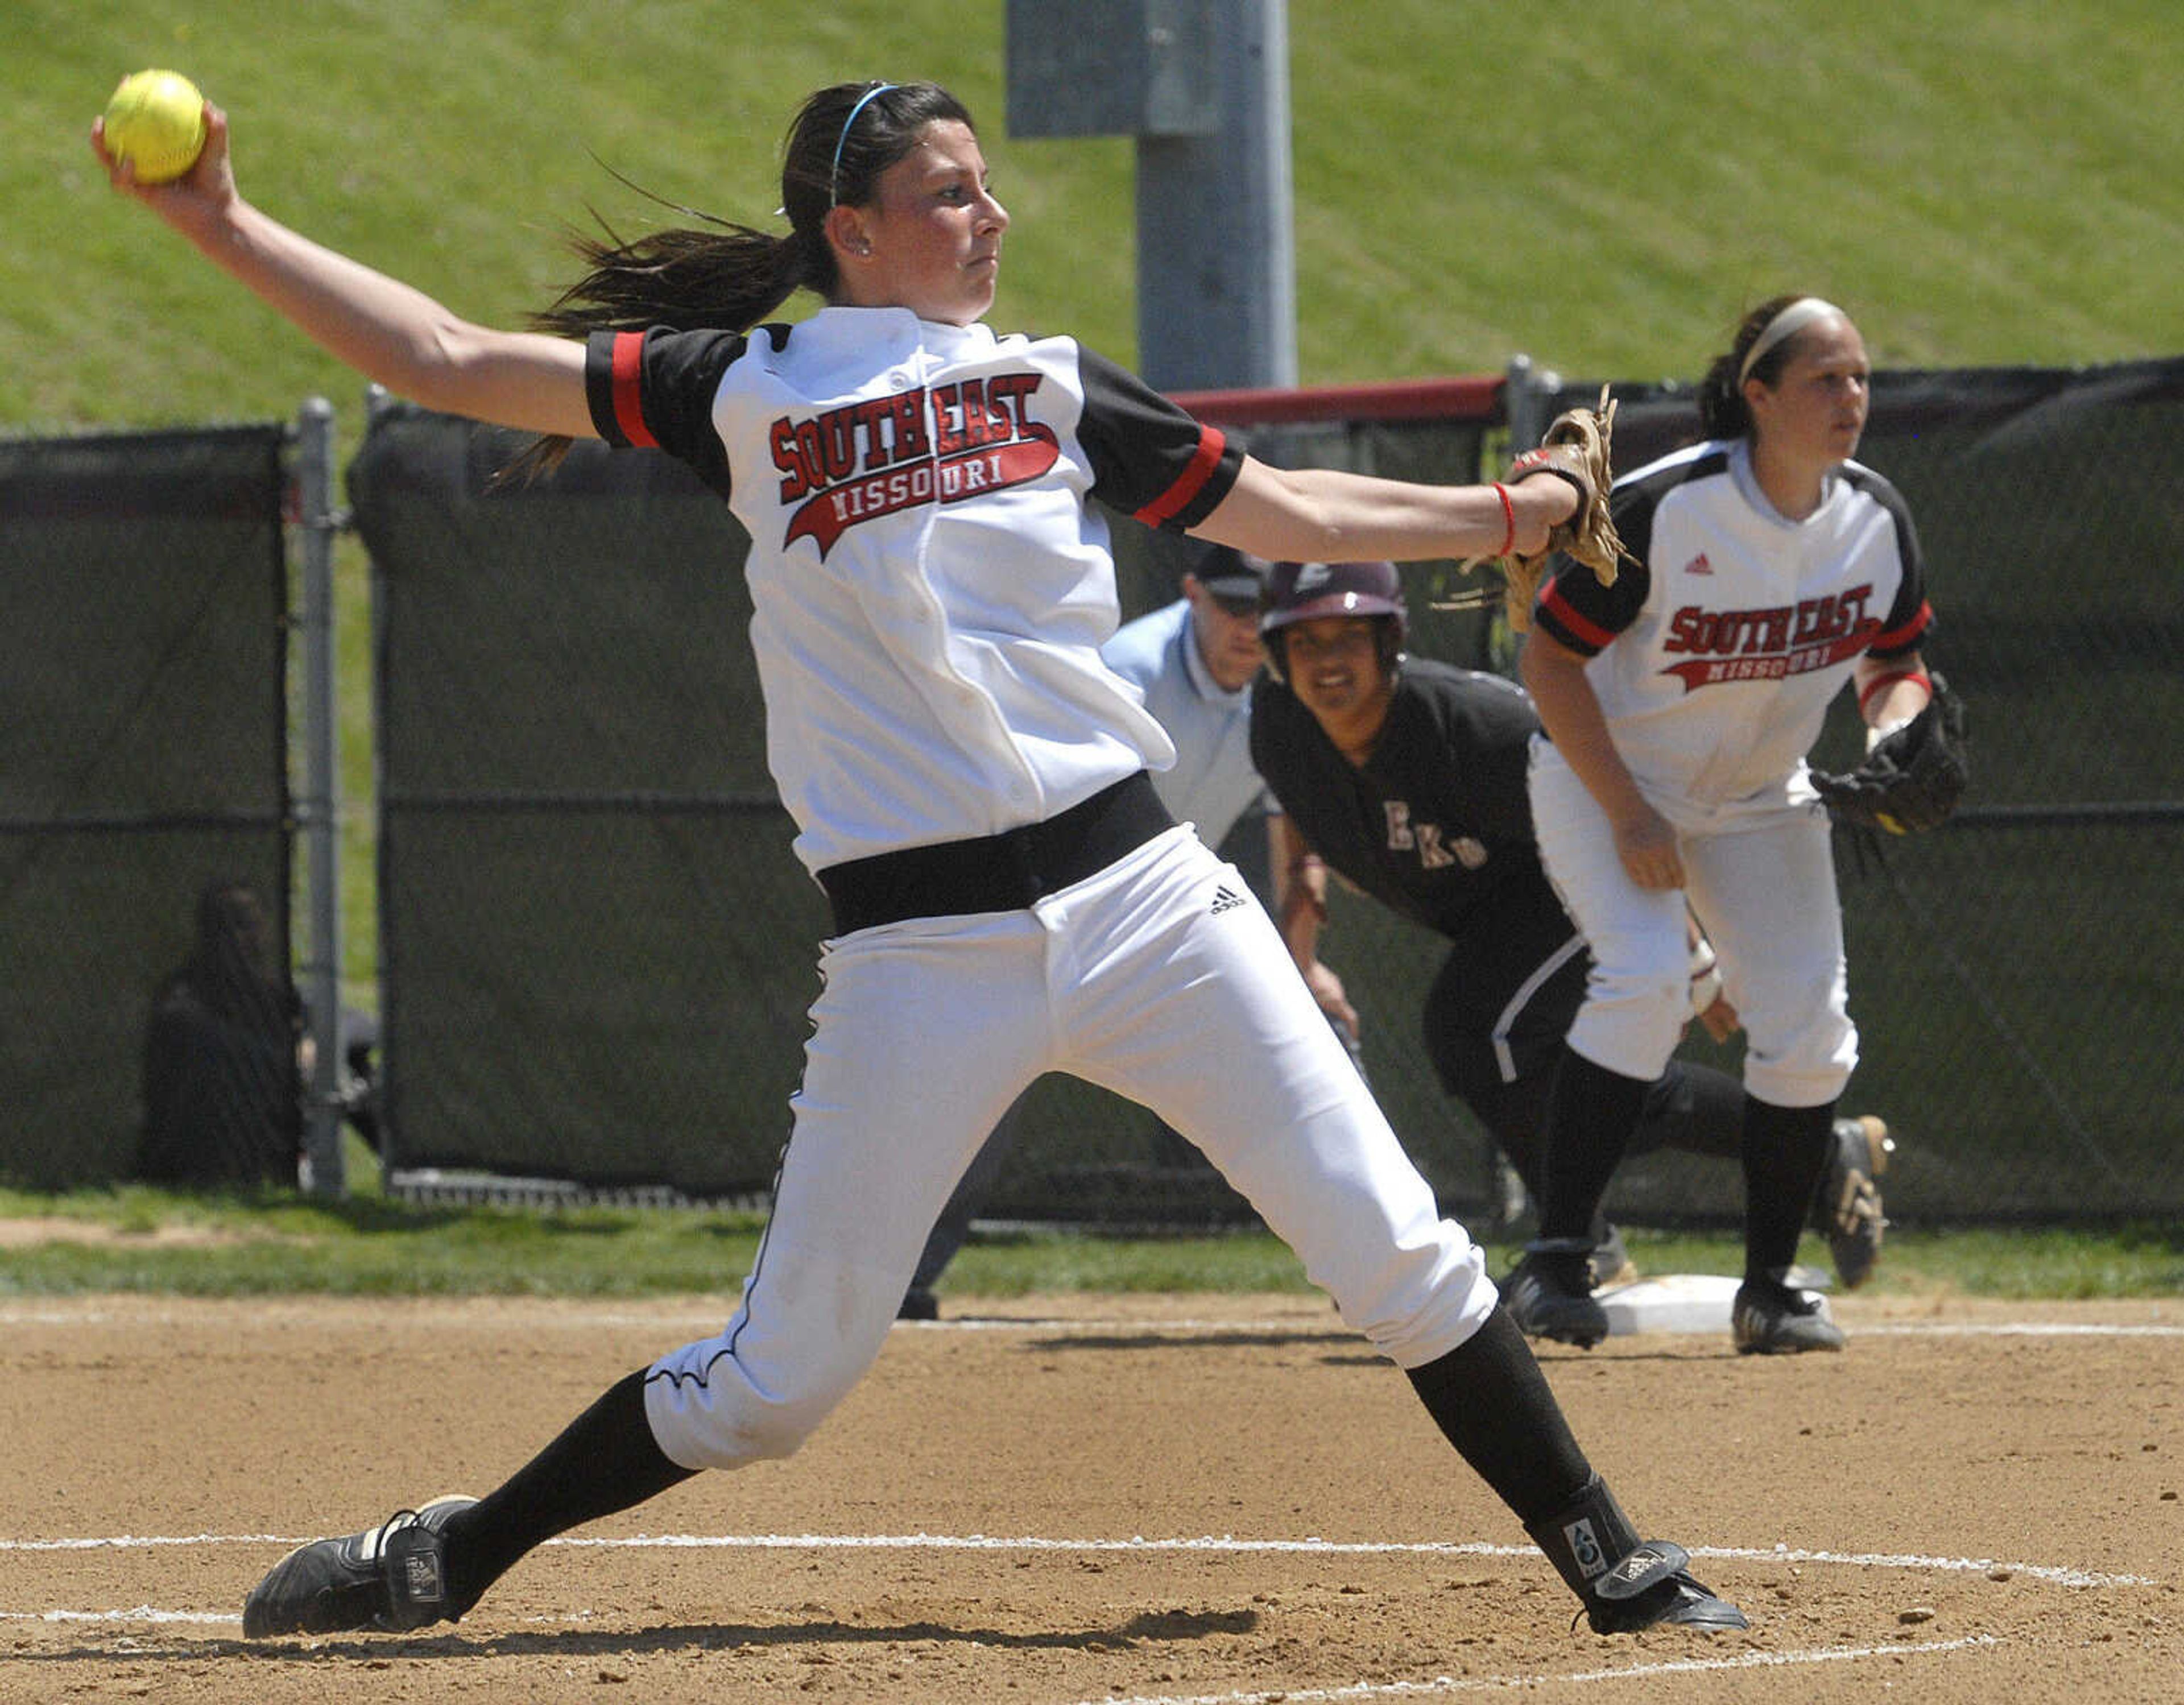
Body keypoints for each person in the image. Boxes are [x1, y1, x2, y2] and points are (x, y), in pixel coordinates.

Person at [97, 78, 1744, 1638]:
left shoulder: (1047, 380)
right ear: (851, 230)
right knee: (777, 1382)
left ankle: (1615, 1556)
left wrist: (1504, 514)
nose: (992, 213)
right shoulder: (741, 387)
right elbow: (450, 353)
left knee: (1400, 1247)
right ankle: (448, 1551)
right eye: (949, 192)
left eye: (985, 185)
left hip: (1148, 901)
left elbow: (1282, 510)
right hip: (918, 953)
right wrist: (221, 224)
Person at [1248, 561, 1891, 1348]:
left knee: (1475, 1029)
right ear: (1277, 655)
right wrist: (1302, 934)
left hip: (1569, 881)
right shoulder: (1279, 721)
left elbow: (1610, 814)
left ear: (1391, 638)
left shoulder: (1473, 727)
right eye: (1304, 640)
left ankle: (1578, 1240)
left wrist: (1687, 960)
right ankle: (1819, 1154)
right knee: (1587, 1083)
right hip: (1482, 915)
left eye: (1350, 634)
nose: (1327, 660)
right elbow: (1297, 809)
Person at [1516, 295, 1927, 1356]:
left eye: (1861, 377)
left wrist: (1899, 727)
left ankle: (1772, 1289)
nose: (1851, 399)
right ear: (1758, 395)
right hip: (1604, 772)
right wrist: (1630, 813)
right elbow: (1549, 661)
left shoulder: (1873, 518)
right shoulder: (1672, 508)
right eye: (1824, 379)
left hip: (1759, 797)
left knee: (1807, 1028)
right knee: (1649, 977)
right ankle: (1556, 1261)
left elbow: (1895, 661)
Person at [898, 543, 1310, 1321]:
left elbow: (1293, 823)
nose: (1250, 626)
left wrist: (1305, 962)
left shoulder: (1284, 680)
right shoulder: (1133, 667)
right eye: (1232, 604)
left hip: (1167, 909)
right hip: (1042, 900)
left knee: (1302, 1050)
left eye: (1263, 606)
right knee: (975, 1099)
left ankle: (1372, 1266)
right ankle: (891, 1277)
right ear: (1192, 593)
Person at [137, 878, 304, 1187]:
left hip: (273, 1118)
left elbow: (343, 1023)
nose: (251, 937)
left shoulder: (269, 992)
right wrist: (286, 1059)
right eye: (237, 927)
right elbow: (204, 1038)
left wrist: (310, 1045)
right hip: (205, 1137)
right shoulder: (184, 994)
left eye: (255, 925)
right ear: (213, 935)